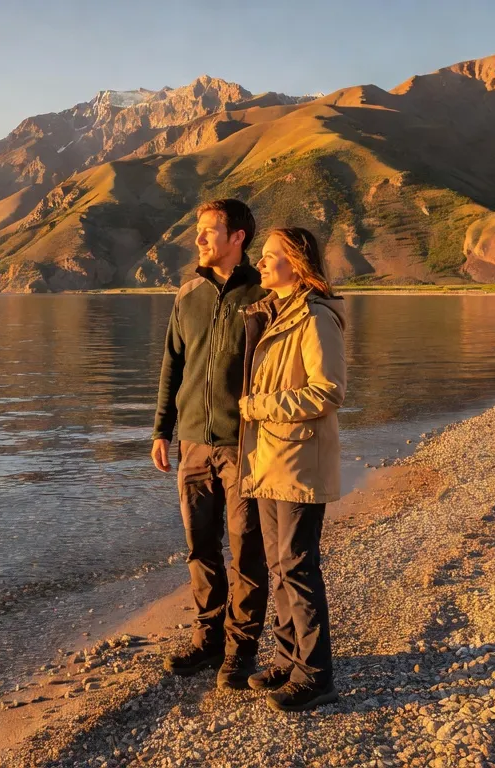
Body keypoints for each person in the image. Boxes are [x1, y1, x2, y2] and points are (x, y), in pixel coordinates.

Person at [152, 198, 271, 690]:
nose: (198, 239)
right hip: (194, 445)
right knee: (200, 547)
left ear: (237, 237)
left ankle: (242, 650)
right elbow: (171, 365)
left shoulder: (265, 295)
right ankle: (208, 641)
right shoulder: (187, 295)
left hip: (246, 445)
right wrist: (162, 429)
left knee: (246, 550)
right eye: (198, 231)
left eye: (208, 231)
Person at [236, 227, 346, 712]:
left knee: (298, 567)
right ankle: (288, 658)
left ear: (297, 265)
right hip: (269, 458)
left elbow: (328, 391)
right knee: (279, 567)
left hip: (299, 460)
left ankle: (317, 675)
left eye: (269, 256)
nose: (260, 264)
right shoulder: (274, 313)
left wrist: (260, 407)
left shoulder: (316, 318)